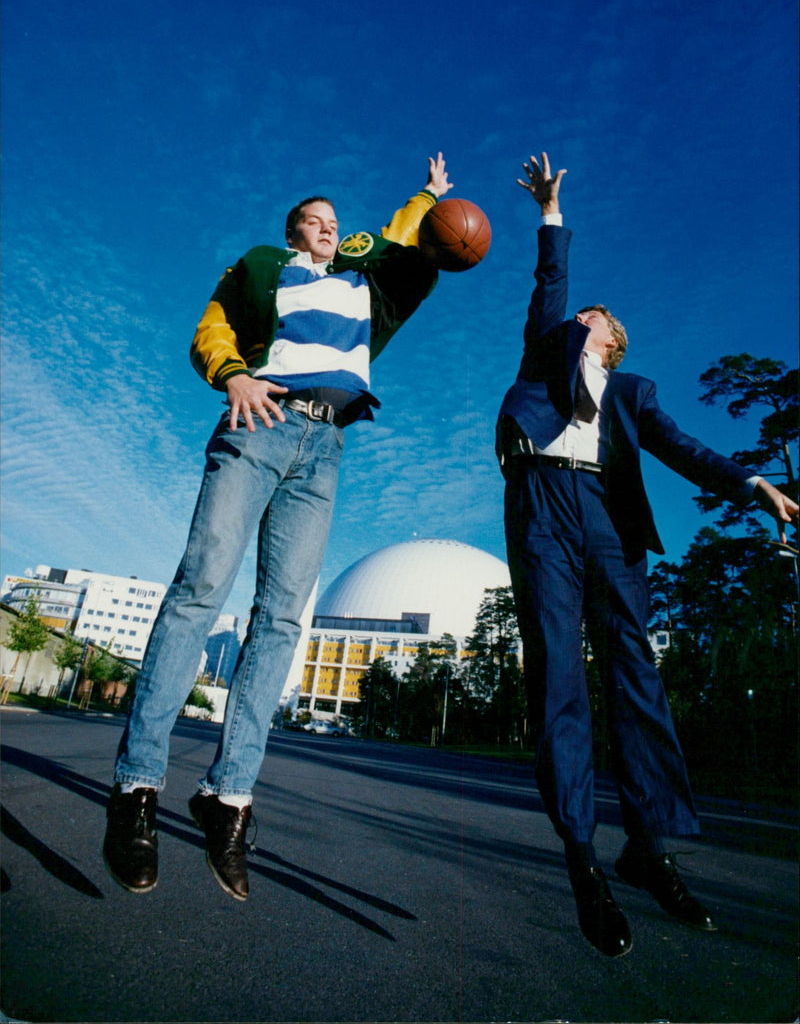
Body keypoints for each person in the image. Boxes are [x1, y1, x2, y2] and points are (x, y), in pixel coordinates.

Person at [103, 153, 453, 900]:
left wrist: (427, 195)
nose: (327, 229)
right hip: (258, 424)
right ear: (294, 232)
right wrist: (232, 373)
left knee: (281, 623)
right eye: (314, 221)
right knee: (200, 591)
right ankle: (136, 789)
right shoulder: (266, 268)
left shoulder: (366, 286)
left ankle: (228, 799)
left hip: (326, 447)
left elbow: (395, 237)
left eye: (335, 223)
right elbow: (213, 327)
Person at [497, 152, 798, 958]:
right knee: (559, 674)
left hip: (605, 517)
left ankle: (649, 846)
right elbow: (551, 292)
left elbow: (684, 447)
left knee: (637, 674)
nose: (583, 317)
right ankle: (581, 859)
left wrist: (753, 483)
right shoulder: (545, 355)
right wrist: (551, 218)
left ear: (615, 339)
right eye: (579, 313)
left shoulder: (633, 393)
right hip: (541, 504)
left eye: (596, 317)